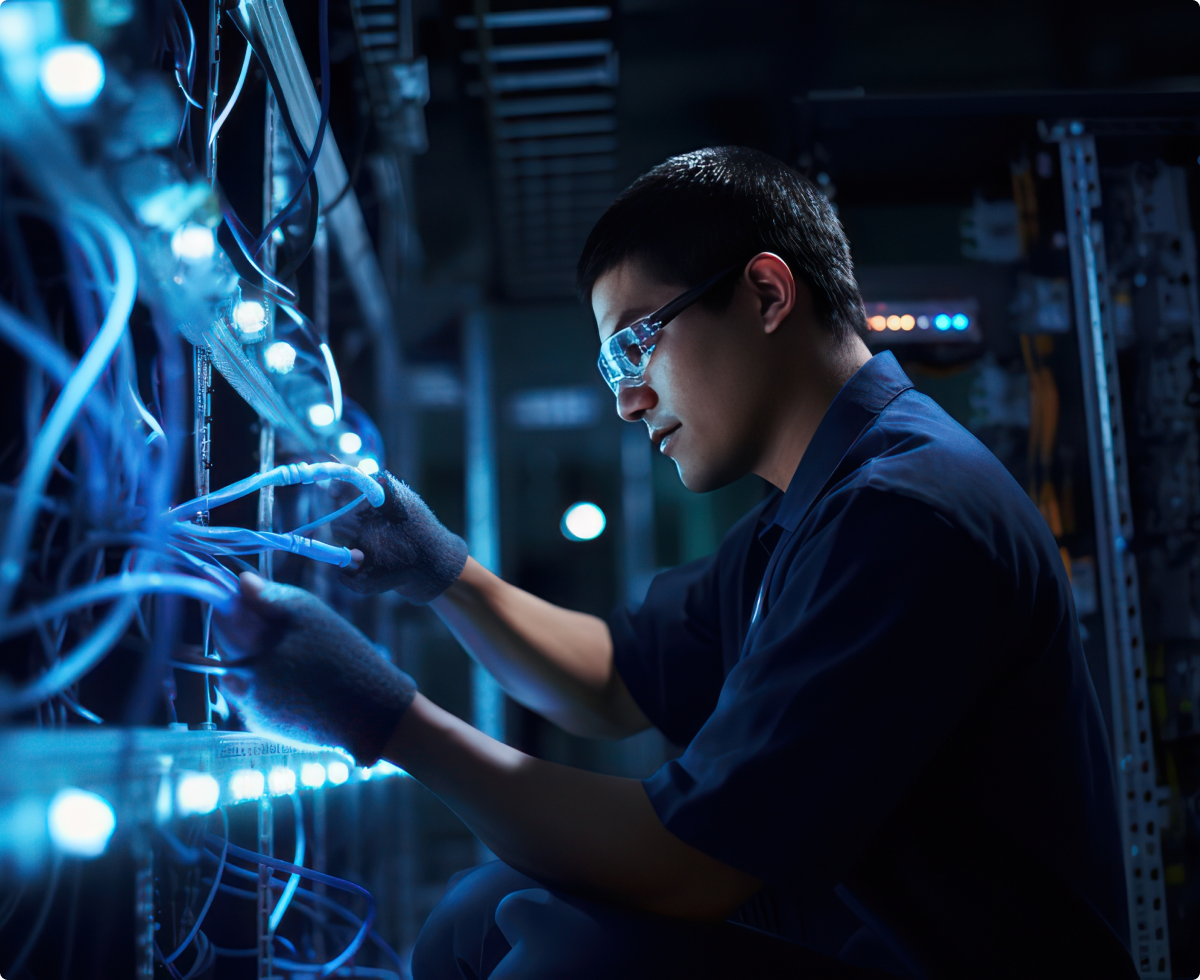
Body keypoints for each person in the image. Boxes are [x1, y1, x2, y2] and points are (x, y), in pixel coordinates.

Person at [214, 147, 1136, 979]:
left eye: (634, 345)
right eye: (611, 369)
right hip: (869, 933)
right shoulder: (811, 512)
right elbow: (616, 681)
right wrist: (446, 575)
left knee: (559, 959)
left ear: (768, 295)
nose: (627, 400)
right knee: (484, 914)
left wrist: (377, 716)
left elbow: (686, 866)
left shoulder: (905, 516)